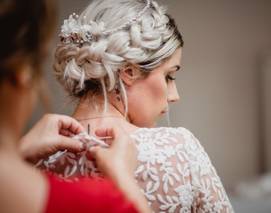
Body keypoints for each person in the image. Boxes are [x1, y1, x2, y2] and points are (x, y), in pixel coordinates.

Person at [47, 0, 235, 212]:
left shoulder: (37, 158)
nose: (174, 96)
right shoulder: (179, 149)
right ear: (129, 71)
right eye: (169, 76)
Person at [0, 0, 150, 212]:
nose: (174, 96)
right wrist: (122, 176)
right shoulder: (89, 202)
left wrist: (20, 151)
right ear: (22, 72)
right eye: (169, 76)